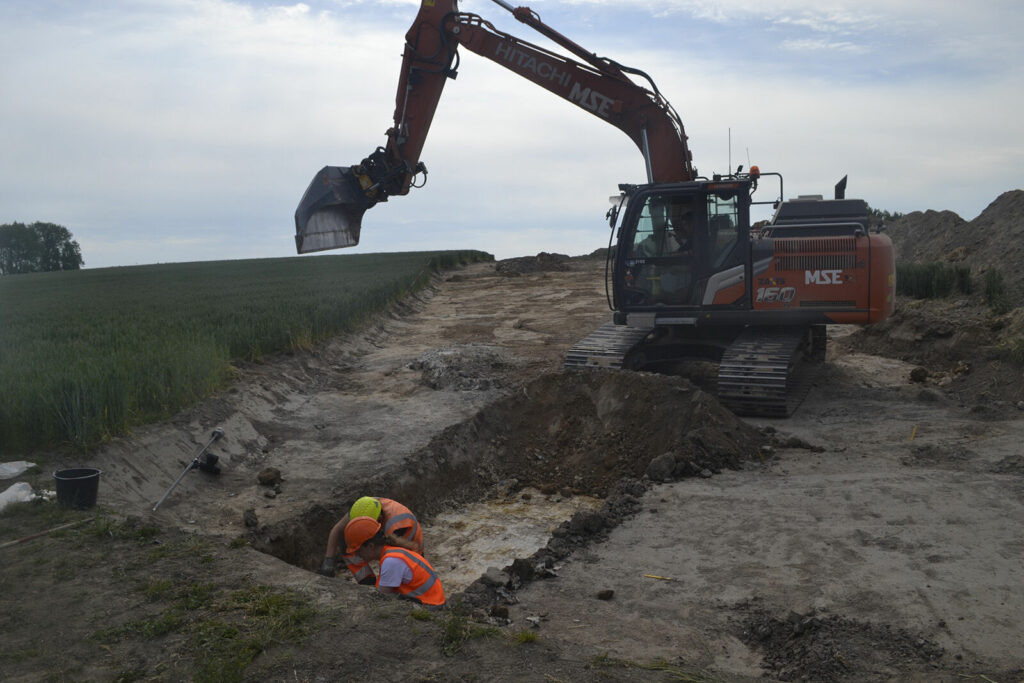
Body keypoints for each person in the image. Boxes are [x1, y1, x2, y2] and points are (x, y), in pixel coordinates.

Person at [344, 515, 446, 609]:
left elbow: (381, 597)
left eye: (358, 550)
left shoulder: (391, 562)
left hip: (432, 607)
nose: (357, 555)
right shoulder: (394, 552)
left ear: (370, 546)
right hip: (433, 602)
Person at [318, 496, 424, 583]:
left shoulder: (397, 524)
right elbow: (337, 530)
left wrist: (384, 587)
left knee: (397, 572)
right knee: (348, 540)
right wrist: (328, 560)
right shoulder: (362, 508)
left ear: (379, 519)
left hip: (411, 550)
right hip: (383, 540)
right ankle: (366, 580)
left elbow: (393, 560)